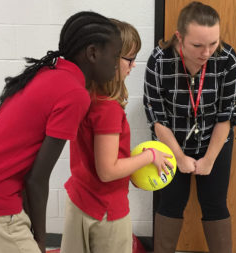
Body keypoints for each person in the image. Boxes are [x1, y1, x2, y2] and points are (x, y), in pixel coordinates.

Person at [0, 11, 122, 253]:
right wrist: (40, 237)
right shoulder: (74, 94)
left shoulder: (52, 71)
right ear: (92, 53)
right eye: (115, 55)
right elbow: (37, 179)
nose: (118, 63)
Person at [60, 19, 174, 253]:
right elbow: (108, 171)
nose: (133, 66)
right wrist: (149, 156)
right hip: (106, 212)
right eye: (129, 59)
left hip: (80, 201)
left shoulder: (84, 96)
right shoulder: (108, 110)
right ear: (109, 59)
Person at [143, 2, 236, 253]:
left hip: (214, 142)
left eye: (213, 43)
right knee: (170, 203)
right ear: (180, 37)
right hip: (171, 141)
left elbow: (226, 115)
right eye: (197, 45)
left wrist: (208, 159)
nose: (206, 52)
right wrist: (179, 158)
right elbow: (157, 118)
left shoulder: (228, 59)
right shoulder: (159, 61)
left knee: (215, 204)